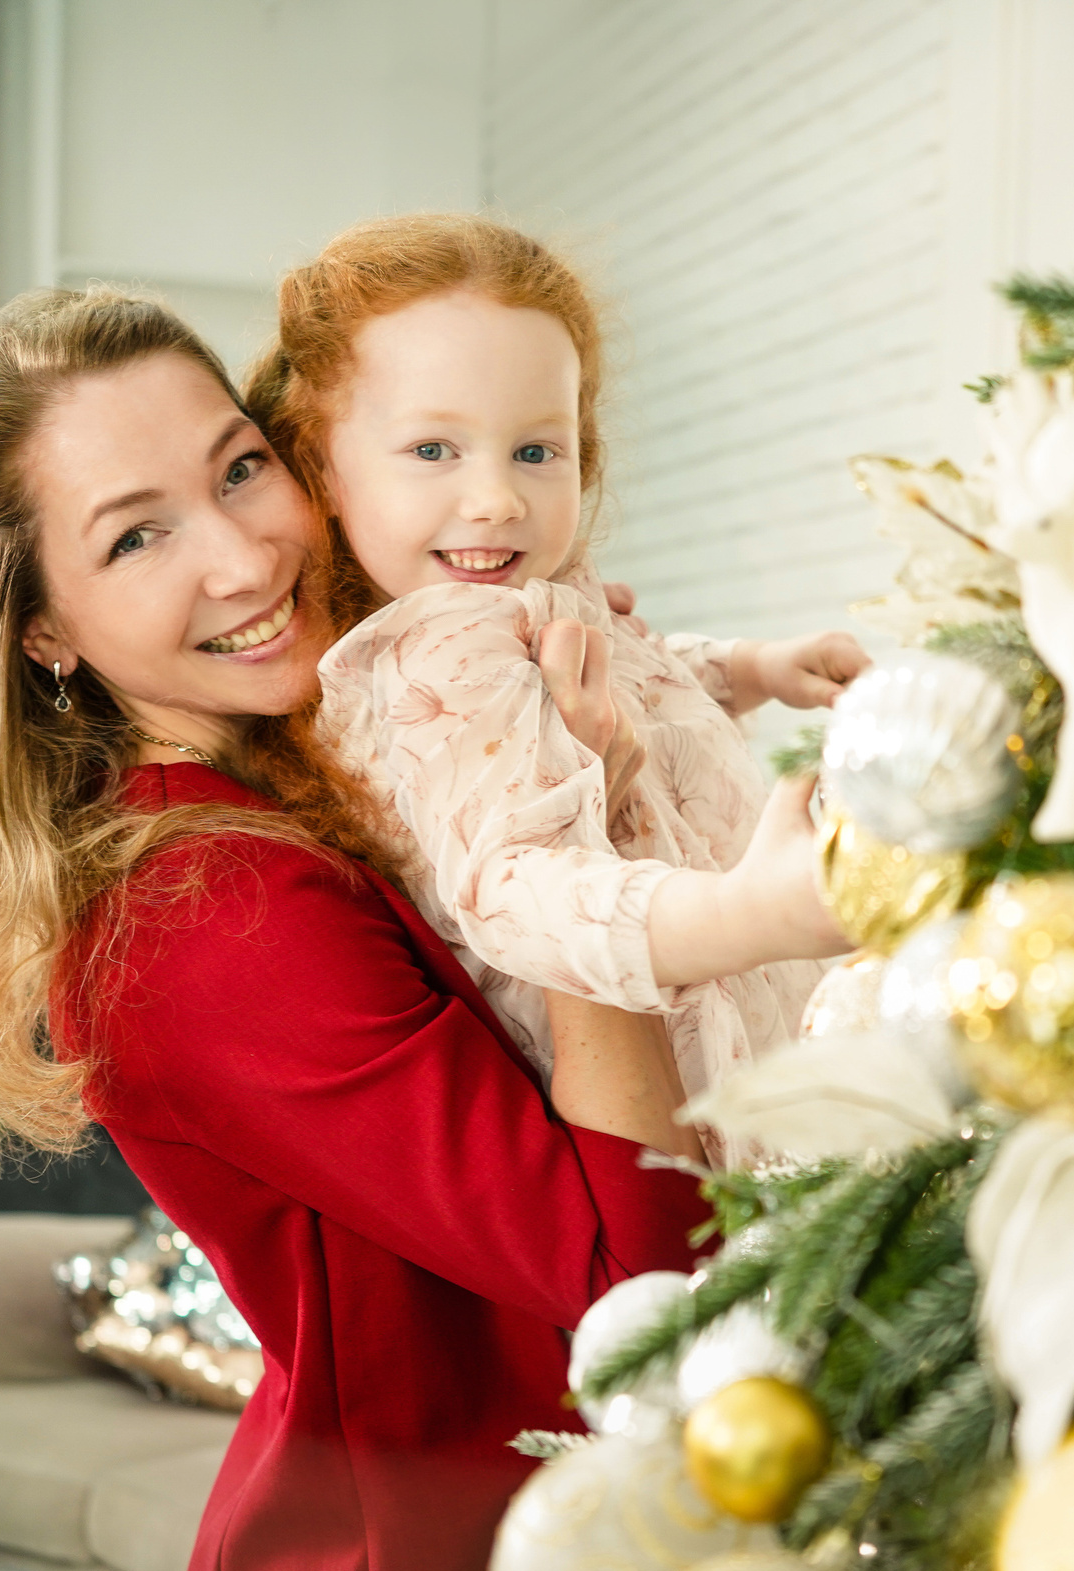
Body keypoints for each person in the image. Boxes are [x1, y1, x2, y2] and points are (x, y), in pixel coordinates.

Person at [0, 285, 849, 1571]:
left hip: (552, 1557)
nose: (246, 554)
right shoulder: (200, 913)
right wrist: (575, 825)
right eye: (137, 534)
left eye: (241, 468)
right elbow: (639, 1290)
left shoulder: (324, 752)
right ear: (42, 631)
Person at [249, 215, 871, 1155]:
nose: (498, 496)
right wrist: (755, 915)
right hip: (691, 1056)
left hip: (760, 991)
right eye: (433, 451)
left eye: (536, 451)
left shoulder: (525, 594)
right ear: (320, 467)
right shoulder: (441, 650)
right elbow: (511, 891)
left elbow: (634, 674)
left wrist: (746, 667)